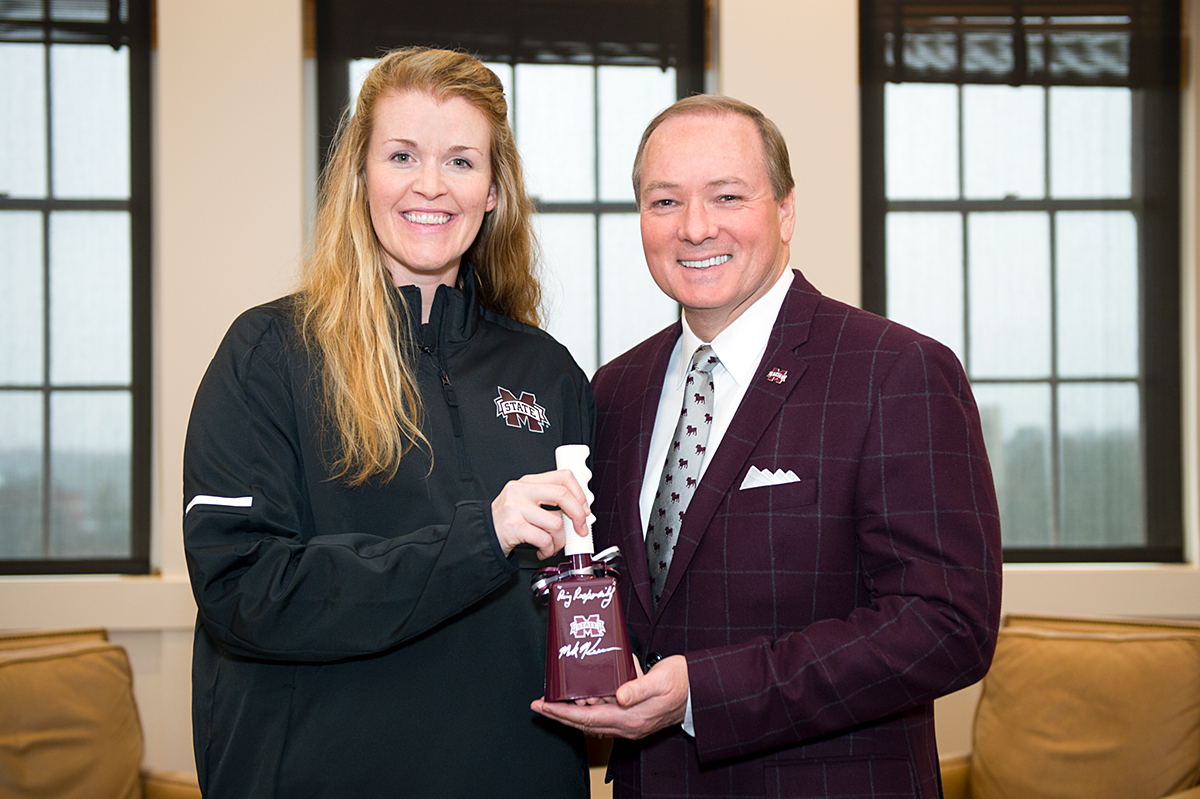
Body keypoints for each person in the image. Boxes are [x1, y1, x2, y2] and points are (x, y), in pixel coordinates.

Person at [532, 95, 1003, 797]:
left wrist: (705, 693)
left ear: (785, 210)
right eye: (665, 201)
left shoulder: (895, 370)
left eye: (727, 195)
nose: (695, 227)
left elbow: (947, 623)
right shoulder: (615, 389)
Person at [183, 48, 595, 798]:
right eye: (402, 154)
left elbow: (579, 589)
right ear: (358, 176)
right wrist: (483, 535)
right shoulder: (269, 354)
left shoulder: (548, 373)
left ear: (494, 189)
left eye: (462, 161)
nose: (430, 184)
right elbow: (245, 592)